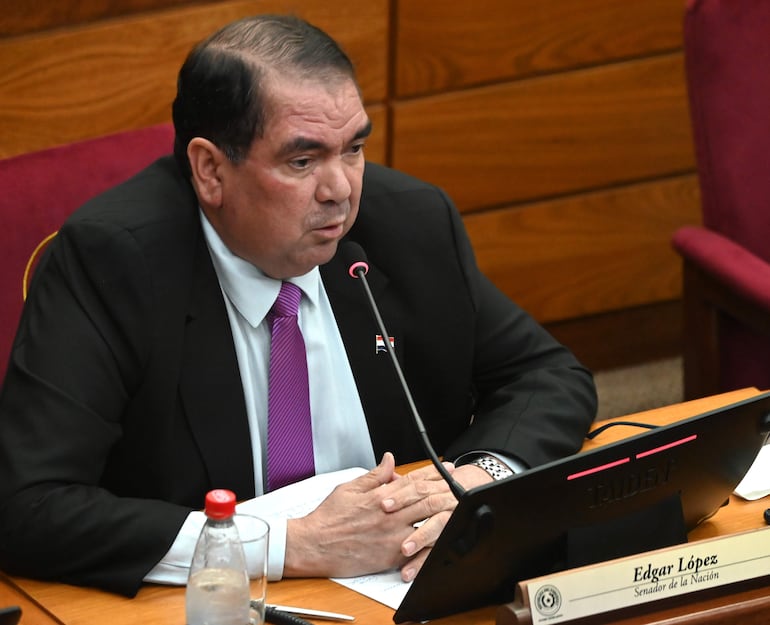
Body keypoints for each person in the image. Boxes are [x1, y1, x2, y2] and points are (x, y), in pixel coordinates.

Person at [0, 15, 597, 597]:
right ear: (211, 171)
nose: (341, 190)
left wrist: (479, 481)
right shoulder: (114, 262)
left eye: (354, 148)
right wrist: (288, 545)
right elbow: (27, 504)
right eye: (302, 161)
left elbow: (546, 375)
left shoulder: (407, 222)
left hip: (406, 590)